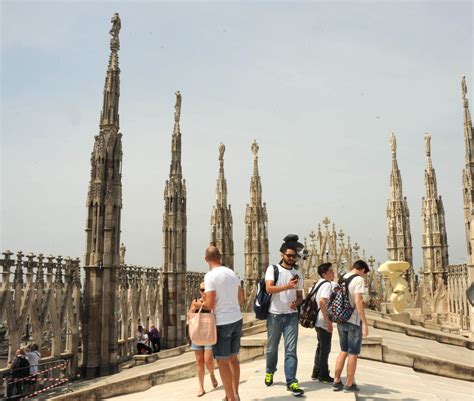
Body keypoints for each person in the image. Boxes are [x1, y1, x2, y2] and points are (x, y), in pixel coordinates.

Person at [264, 234, 305, 397]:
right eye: (288, 255)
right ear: (282, 254)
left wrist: (297, 303)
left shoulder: (297, 274)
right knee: (272, 348)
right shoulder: (273, 269)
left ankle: (292, 381)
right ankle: (270, 370)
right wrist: (287, 286)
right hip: (274, 315)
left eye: (294, 256)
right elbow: (269, 289)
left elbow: (300, 295)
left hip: (291, 316)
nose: (291, 258)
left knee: (291, 350)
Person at [202, 246, 244, 401]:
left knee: (222, 362)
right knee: (234, 359)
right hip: (236, 320)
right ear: (220, 257)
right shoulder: (232, 273)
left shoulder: (210, 276)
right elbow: (241, 298)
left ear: (206, 259)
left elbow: (210, 304)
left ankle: (230, 398)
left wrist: (200, 304)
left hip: (221, 323)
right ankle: (235, 394)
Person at [333, 260, 370, 393]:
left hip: (340, 319)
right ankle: (349, 383)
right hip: (353, 321)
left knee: (343, 350)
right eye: (364, 274)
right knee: (353, 352)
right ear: (362, 270)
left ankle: (336, 380)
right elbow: (358, 301)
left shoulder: (343, 277)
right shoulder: (358, 280)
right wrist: (365, 322)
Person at [188, 281, 218, 397]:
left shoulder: (213, 301)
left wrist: (198, 305)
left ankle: (211, 374)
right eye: (201, 289)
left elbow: (211, 307)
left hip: (209, 334)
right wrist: (193, 308)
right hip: (197, 334)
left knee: (208, 359)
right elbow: (190, 315)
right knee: (199, 362)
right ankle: (201, 387)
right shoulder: (194, 301)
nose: (203, 291)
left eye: (206, 289)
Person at [311, 263, 337, 382]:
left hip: (317, 320)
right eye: (331, 271)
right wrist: (328, 322)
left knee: (320, 346)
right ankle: (323, 375)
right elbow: (322, 302)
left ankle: (316, 372)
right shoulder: (327, 284)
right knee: (325, 349)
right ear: (324, 273)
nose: (333, 273)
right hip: (323, 320)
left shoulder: (318, 283)